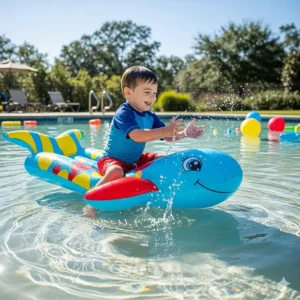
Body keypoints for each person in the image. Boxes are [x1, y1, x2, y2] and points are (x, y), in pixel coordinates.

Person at [83, 66, 205, 218]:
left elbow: (167, 137)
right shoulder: (124, 113)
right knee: (116, 172)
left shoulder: (150, 116)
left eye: (154, 93)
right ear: (128, 92)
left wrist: (185, 133)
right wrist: (165, 130)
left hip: (136, 160)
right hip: (112, 160)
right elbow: (137, 136)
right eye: (147, 92)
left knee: (165, 158)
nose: (152, 97)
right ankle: (91, 204)